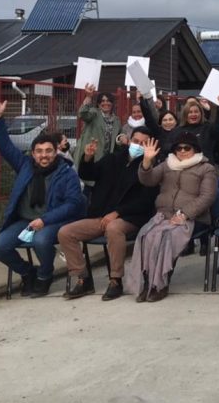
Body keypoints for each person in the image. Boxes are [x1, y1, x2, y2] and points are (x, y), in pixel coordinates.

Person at [0, 101, 86, 297]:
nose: (44, 155)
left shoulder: (66, 172)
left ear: (56, 151)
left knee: (41, 240)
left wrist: (45, 220)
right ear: (33, 154)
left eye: (48, 151)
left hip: (54, 220)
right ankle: (27, 272)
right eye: (39, 152)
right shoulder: (25, 165)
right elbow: (5, 146)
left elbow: (73, 204)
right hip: (26, 220)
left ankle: (44, 275)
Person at [58, 127, 158, 300]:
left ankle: (115, 279)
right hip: (101, 215)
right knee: (66, 232)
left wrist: (118, 212)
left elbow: (146, 201)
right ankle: (83, 278)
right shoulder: (112, 159)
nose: (138, 145)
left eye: (143, 143)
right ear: (128, 140)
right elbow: (87, 174)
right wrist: (87, 157)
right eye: (136, 141)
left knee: (113, 228)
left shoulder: (149, 167)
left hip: (130, 217)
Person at [124, 132, 217, 302]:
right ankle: (147, 282)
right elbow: (148, 180)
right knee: (146, 236)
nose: (182, 151)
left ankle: (160, 284)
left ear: (195, 149)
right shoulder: (168, 164)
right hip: (164, 215)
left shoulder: (206, 168)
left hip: (192, 218)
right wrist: (146, 162)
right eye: (178, 148)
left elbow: (207, 197)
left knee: (166, 238)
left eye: (186, 148)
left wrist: (184, 214)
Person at [73, 85, 121, 169]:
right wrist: (88, 97)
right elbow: (82, 114)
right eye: (102, 101)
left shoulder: (116, 120)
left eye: (108, 101)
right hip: (90, 156)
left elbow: (118, 138)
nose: (105, 103)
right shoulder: (94, 113)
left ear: (112, 104)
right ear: (98, 104)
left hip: (106, 160)